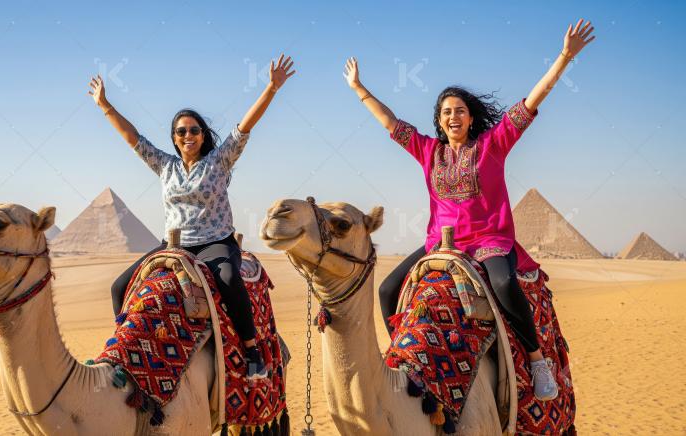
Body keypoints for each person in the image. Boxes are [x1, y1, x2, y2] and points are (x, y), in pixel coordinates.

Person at [344, 19, 595, 400]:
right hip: (441, 245)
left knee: (505, 283)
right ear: (440, 120)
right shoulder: (428, 151)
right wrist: (359, 88)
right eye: (446, 112)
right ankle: (402, 359)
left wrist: (564, 57)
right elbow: (389, 122)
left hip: (490, 241)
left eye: (459, 110)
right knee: (387, 289)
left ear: (471, 117)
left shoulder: (494, 144)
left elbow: (532, 100)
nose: (453, 116)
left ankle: (536, 358)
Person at [89, 54, 296, 379]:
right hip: (173, 246)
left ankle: (253, 351)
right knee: (119, 288)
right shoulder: (164, 165)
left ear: (202, 135)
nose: (188, 135)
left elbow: (245, 127)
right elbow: (132, 138)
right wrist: (105, 105)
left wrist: (271, 87)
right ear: (174, 137)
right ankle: (127, 350)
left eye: (194, 129)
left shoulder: (218, 161)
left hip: (215, 244)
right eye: (181, 130)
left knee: (229, 280)